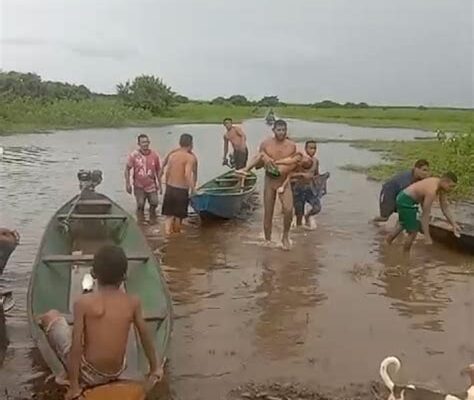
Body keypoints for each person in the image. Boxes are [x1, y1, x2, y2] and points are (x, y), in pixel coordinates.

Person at [38, 245, 163, 400]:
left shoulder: (83, 303)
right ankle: (72, 373)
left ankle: (68, 375)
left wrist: (75, 386)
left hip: (89, 373)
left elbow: (76, 345)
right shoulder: (133, 302)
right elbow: (145, 335)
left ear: (93, 273)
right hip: (117, 370)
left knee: (50, 317)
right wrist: (155, 368)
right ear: (124, 276)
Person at [237, 119, 297, 250]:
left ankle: (285, 236)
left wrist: (282, 168)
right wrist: (265, 159)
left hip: (284, 180)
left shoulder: (291, 145)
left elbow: (293, 165)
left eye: (283, 130)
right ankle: (268, 240)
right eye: (279, 130)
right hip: (270, 180)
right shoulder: (266, 144)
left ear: (286, 131)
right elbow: (258, 165)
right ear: (273, 130)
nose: (281, 132)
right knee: (268, 212)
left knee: (288, 209)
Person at [386, 173, 460, 253]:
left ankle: (387, 243)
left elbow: (445, 207)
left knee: (403, 224)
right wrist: (427, 236)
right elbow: (425, 215)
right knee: (413, 231)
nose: (451, 189)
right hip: (406, 201)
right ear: (445, 181)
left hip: (403, 198)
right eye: (451, 186)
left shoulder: (440, 186)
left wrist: (454, 224)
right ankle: (405, 256)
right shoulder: (432, 190)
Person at [161, 134, 197, 235]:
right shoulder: (189, 158)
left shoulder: (172, 156)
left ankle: (167, 235)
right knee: (178, 217)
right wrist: (193, 189)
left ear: (180, 143)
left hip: (170, 188)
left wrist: (167, 185)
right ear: (191, 144)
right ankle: (176, 237)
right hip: (181, 190)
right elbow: (187, 174)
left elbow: (167, 172)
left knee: (168, 215)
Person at [124, 134, 161, 223]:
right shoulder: (134, 155)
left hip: (151, 185)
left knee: (154, 203)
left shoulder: (154, 155)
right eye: (143, 142)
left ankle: (153, 221)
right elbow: (127, 169)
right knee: (140, 205)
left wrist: (160, 184)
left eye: (147, 142)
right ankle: (140, 223)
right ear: (139, 144)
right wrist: (128, 184)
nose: (145, 144)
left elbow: (158, 170)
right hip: (139, 186)